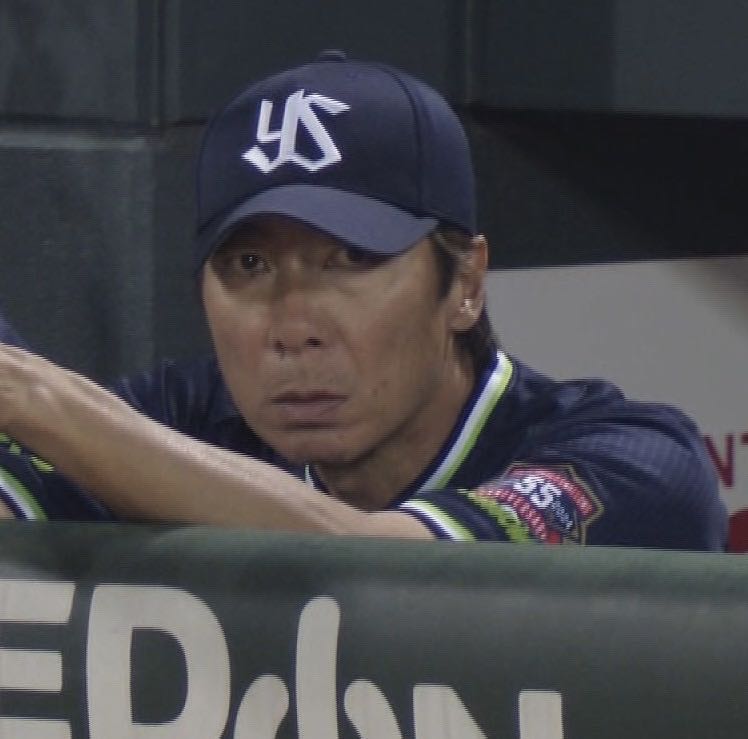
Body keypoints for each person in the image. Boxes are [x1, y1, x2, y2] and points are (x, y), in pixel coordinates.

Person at [0, 52, 727, 548]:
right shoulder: (191, 418)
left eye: (351, 259)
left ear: (465, 285)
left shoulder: (630, 464)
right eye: (249, 264)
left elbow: (378, 566)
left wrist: (37, 400)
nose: (294, 327)